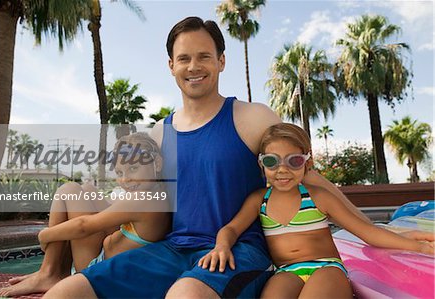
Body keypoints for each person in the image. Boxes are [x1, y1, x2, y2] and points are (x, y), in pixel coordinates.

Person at [42, 16, 428, 299]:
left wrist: (376, 230)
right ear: (171, 66)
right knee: (66, 293)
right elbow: (138, 198)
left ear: (221, 61)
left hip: (238, 251)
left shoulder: (251, 117)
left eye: (204, 57)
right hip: (173, 250)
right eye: (184, 59)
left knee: (184, 297)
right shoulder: (158, 134)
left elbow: (309, 178)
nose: (194, 66)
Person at [198, 123, 435, 298]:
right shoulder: (259, 200)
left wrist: (419, 246)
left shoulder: (318, 197)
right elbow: (231, 228)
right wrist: (221, 246)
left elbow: (367, 232)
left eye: (294, 161)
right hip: (287, 271)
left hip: (326, 267)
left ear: (307, 163)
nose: (282, 169)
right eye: (272, 161)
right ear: (262, 164)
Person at [0, 132, 170, 297]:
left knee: (68, 189)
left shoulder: (143, 200)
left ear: (157, 163)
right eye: (119, 173)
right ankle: (55, 271)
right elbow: (108, 206)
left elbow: (83, 226)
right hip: (113, 265)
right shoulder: (158, 195)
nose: (125, 179)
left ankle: (49, 271)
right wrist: (89, 193)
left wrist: (45, 235)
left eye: (133, 168)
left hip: (100, 272)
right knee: (86, 189)